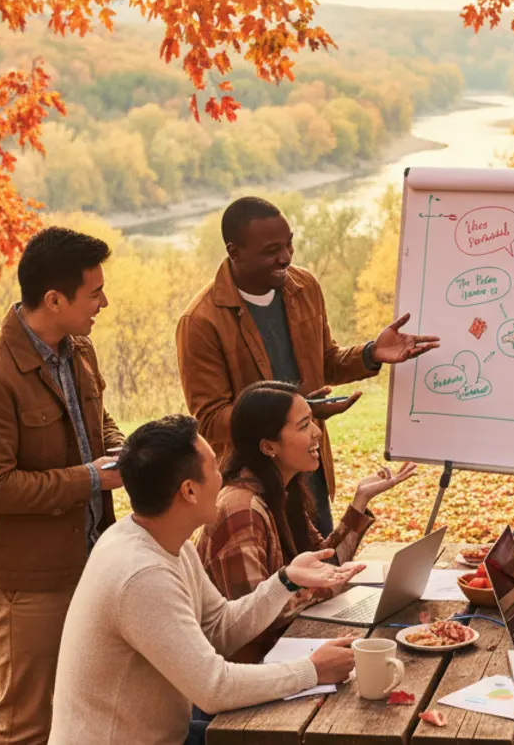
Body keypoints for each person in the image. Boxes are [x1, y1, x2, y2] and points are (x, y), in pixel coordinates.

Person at [50, 414, 364, 745]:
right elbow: (214, 688)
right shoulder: (141, 574)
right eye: (215, 468)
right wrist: (311, 670)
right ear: (189, 490)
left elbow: (217, 629)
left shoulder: (162, 539)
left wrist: (285, 581)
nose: (223, 477)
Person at [0, 226, 125, 745]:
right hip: (27, 581)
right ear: (54, 299)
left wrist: (121, 448)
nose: (104, 302)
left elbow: (98, 421)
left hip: (90, 558)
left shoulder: (79, 350)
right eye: (94, 293)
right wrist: (92, 477)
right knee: (29, 723)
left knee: (87, 708)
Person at [176, 196, 439, 535]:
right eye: (272, 250)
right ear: (234, 251)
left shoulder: (304, 287)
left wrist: (371, 353)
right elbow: (210, 420)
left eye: (289, 245)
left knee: (321, 572)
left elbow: (325, 361)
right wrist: (292, 416)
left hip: (309, 473)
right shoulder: (200, 321)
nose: (285, 257)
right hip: (252, 487)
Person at [197, 381, 417, 658]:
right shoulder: (240, 509)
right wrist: (330, 584)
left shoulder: (280, 489)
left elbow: (323, 563)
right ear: (268, 446)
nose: (316, 433)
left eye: (312, 421)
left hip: (287, 647)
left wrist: (360, 501)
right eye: (303, 426)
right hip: (251, 669)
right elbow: (253, 617)